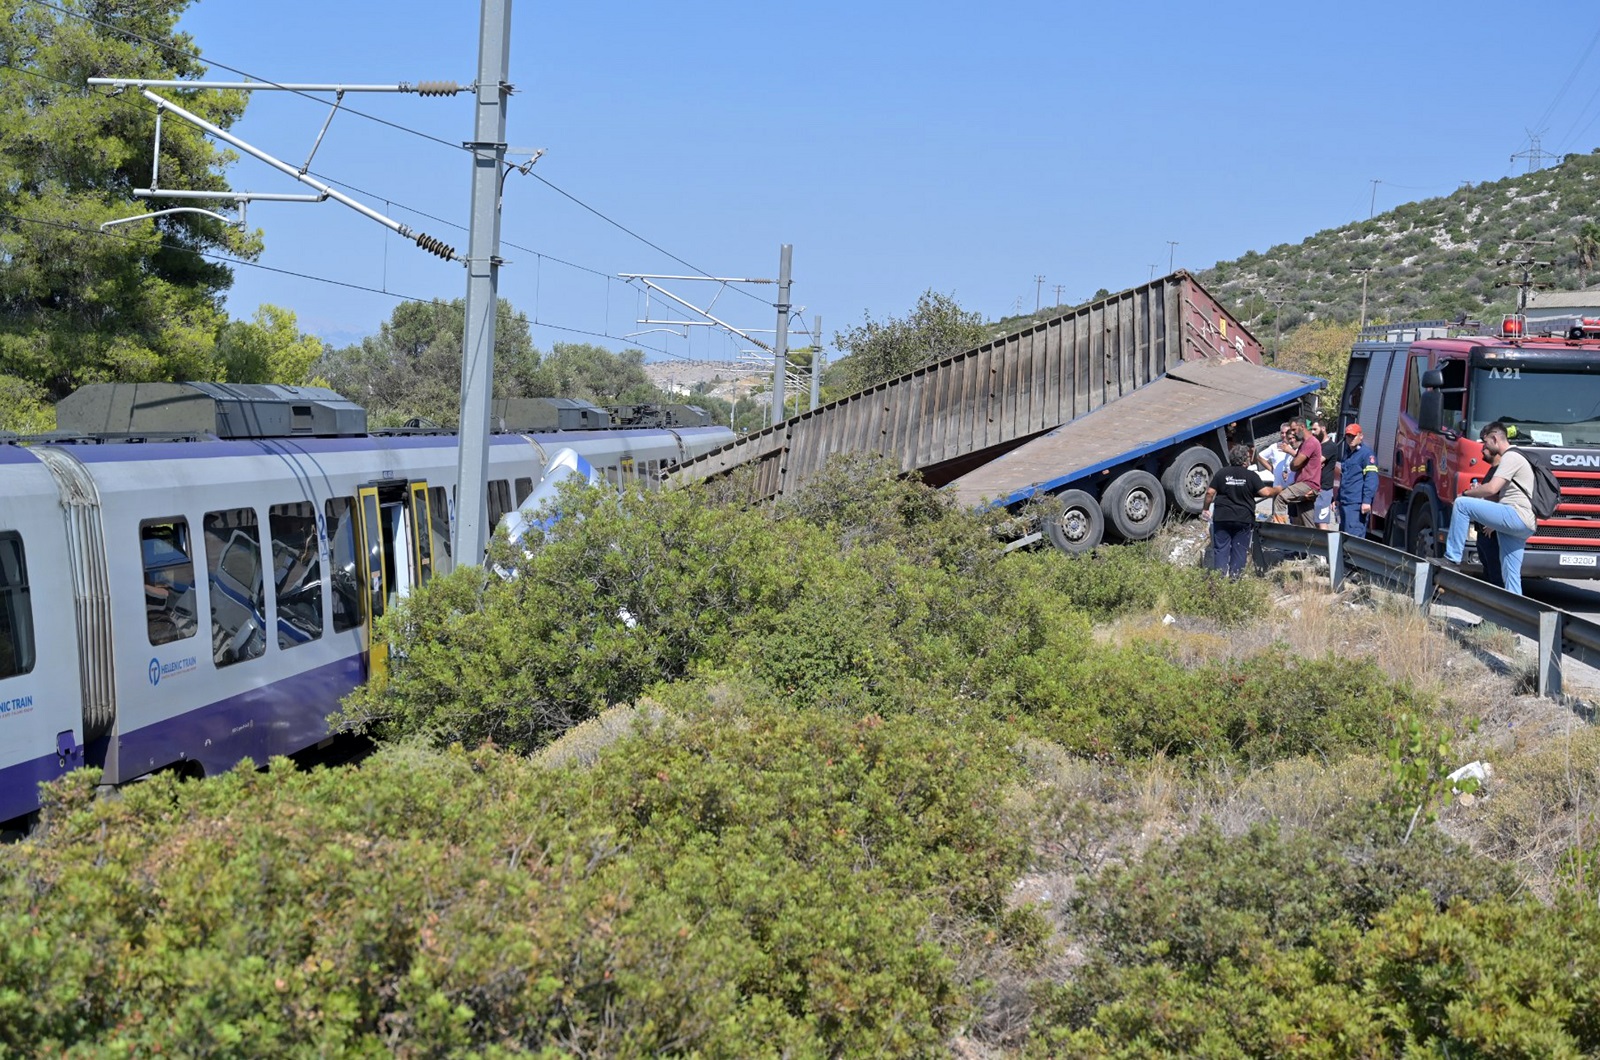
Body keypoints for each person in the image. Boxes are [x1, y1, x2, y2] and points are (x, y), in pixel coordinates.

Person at [1441, 421, 1536, 594]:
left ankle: (1452, 559)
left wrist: (1467, 494)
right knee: (1511, 576)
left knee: (1462, 505)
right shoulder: (1520, 456)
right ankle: (1514, 618)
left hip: (1515, 515)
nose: (1484, 446)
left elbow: (1492, 488)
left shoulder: (1511, 456)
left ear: (1494, 438)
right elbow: (1499, 495)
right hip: (1525, 522)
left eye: (1486, 442)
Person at [1203, 443, 1281, 579]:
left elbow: (1210, 492)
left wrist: (1205, 508)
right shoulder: (1251, 476)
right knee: (1239, 549)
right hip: (1243, 518)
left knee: (1221, 549)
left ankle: (1219, 579)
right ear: (1246, 460)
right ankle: (1235, 579)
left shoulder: (1222, 473)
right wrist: (1279, 489)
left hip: (1222, 517)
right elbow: (1266, 492)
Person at [1334, 423, 1378, 538]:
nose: (1351, 439)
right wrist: (1338, 498)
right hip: (1345, 502)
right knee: (1343, 537)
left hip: (1356, 504)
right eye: (1348, 436)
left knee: (1354, 538)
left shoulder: (1366, 454)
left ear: (1361, 436)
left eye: (1353, 436)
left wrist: (1367, 501)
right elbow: (1344, 478)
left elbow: (1371, 479)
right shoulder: (1347, 454)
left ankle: (1351, 557)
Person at [1276, 422, 1324, 528]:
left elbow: (1295, 464)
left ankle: (1280, 529)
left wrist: (1293, 461)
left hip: (1308, 484)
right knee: (1306, 522)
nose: (1293, 433)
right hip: (1305, 483)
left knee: (1280, 498)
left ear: (1302, 427)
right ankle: (1311, 541)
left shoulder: (1310, 442)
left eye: (1294, 430)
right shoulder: (1304, 443)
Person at [1256, 424, 1296, 523]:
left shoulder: (1294, 447)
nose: (1283, 435)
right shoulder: (1275, 447)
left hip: (1292, 486)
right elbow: (1260, 457)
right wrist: (1271, 469)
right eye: (1281, 433)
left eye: (1286, 433)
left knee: (1293, 516)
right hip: (1278, 486)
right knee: (1277, 516)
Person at [1308, 419, 1336, 529]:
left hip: (1324, 489)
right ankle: (1317, 545)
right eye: (1311, 430)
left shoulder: (1330, 446)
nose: (1313, 432)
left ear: (1323, 428)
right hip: (1314, 487)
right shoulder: (1317, 445)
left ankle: (1330, 546)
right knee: (1314, 521)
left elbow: (1314, 462)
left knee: (1322, 522)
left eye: (1315, 429)